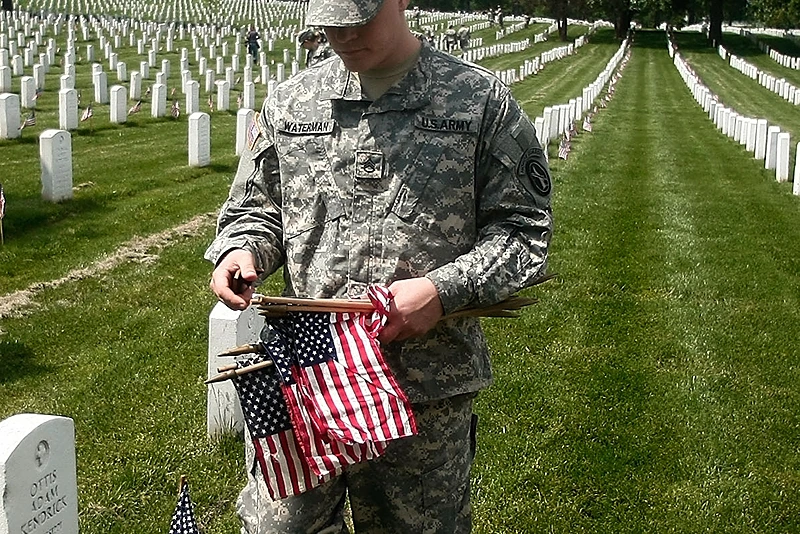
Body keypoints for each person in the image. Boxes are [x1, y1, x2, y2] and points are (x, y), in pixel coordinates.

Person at [205, 0, 552, 531]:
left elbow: (523, 230)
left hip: (421, 385)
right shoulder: (293, 100)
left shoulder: (477, 101)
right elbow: (258, 207)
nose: (343, 34)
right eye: (331, 22)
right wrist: (243, 250)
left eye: (359, 17)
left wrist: (443, 291)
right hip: (305, 373)